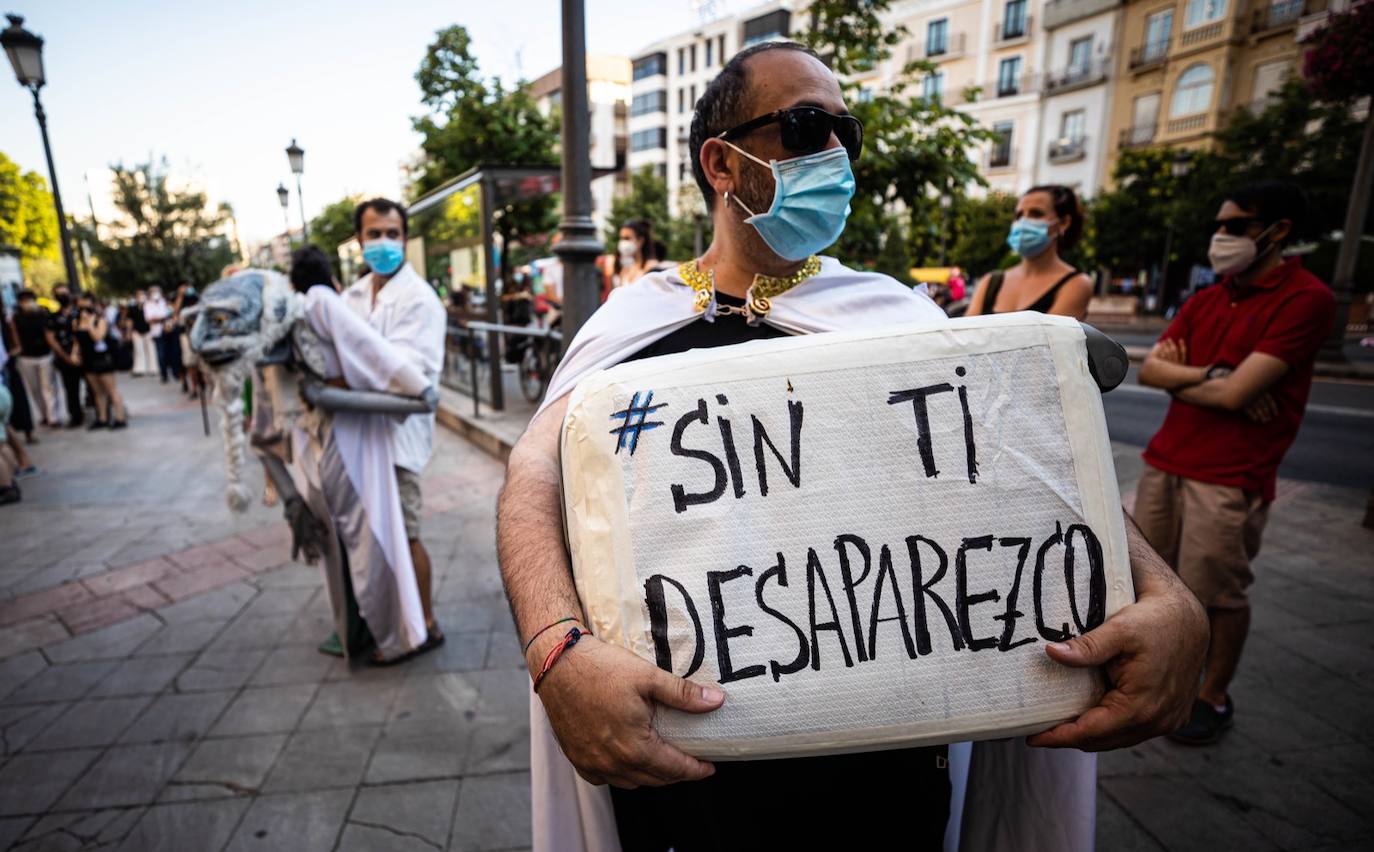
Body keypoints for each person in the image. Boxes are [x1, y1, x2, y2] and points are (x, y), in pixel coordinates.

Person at [496, 41, 1206, 852]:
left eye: (847, 132)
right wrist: (556, 649)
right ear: (721, 164)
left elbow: (1030, 465)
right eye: (806, 127)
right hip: (686, 789)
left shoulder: (898, 318)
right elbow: (532, 474)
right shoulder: (629, 325)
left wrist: (1163, 591)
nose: (835, 151)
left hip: (885, 787)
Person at [1136, 180, 1335, 745]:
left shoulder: (1306, 299)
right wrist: (1217, 376)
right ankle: (1154, 671)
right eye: (1219, 225)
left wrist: (1196, 381)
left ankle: (1213, 694)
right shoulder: (1207, 297)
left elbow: (1235, 395)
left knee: (1217, 594)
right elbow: (1150, 371)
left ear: (1278, 231)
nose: (1221, 236)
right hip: (1166, 460)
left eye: (1236, 226)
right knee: (1147, 582)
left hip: (1230, 475)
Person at [339, 198, 446, 657]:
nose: (384, 243)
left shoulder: (420, 299)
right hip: (357, 437)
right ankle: (387, 621)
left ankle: (426, 625)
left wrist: (345, 373)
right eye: (374, 234)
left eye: (392, 234)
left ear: (404, 238)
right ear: (359, 240)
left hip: (398, 440)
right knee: (373, 537)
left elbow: (405, 372)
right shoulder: (352, 297)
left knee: (405, 532)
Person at [966, 184, 1094, 320]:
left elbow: (1051, 334)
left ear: (1063, 223)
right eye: (1019, 215)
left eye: (1036, 214)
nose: (1024, 221)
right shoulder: (990, 282)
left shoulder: (1077, 284)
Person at [71, 293, 128, 429]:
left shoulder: (100, 320)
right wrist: (74, 354)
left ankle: (120, 418)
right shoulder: (76, 322)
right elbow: (76, 341)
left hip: (102, 360)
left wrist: (90, 324)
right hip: (87, 359)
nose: (83, 310)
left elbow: (98, 337)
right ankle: (102, 419)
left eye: (87, 306)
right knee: (97, 392)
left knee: (111, 390)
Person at [12, 290, 62, 427]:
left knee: (49, 387)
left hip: (45, 355)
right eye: (24, 300)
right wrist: (18, 348)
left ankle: (53, 417)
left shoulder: (42, 314)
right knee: (35, 389)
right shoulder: (16, 317)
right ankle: (44, 414)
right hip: (27, 358)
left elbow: (48, 334)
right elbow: (15, 335)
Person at [48, 287, 84, 427]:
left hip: (84, 356)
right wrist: (66, 357)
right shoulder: (53, 317)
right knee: (70, 389)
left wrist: (77, 353)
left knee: (95, 386)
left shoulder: (80, 313)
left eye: (64, 293)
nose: (62, 296)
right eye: (59, 294)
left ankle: (101, 412)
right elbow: (51, 338)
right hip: (65, 359)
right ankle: (76, 415)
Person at [614, 219, 671, 287]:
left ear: (640, 241)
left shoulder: (652, 267)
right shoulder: (625, 268)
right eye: (621, 238)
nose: (623, 242)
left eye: (627, 238)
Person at [143, 286, 175, 383]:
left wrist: (161, 318)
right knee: (161, 354)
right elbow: (149, 319)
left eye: (157, 291)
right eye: (153, 292)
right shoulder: (147, 304)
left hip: (169, 329)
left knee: (171, 352)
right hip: (157, 332)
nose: (155, 293)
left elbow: (171, 313)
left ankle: (175, 372)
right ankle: (164, 374)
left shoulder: (164, 302)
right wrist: (162, 318)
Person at [129, 289, 156, 376]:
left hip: (149, 331)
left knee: (151, 350)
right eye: (139, 295)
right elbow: (130, 321)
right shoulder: (132, 308)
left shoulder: (150, 306)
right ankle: (139, 369)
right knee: (138, 351)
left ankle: (153, 369)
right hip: (136, 332)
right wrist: (129, 332)